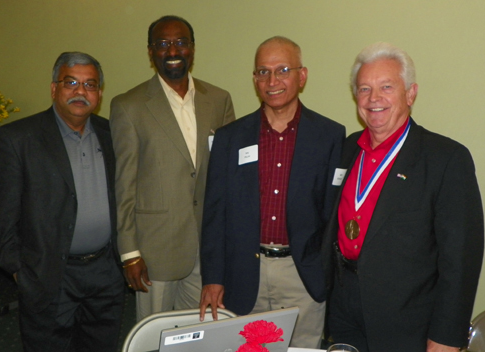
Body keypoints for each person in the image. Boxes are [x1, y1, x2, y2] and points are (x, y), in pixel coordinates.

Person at [322, 42, 484, 352]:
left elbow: (461, 259)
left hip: (408, 322)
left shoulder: (445, 158)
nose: (374, 99)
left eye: (386, 87)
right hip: (344, 312)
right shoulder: (348, 149)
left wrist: (446, 337)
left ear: (410, 93)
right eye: (364, 89)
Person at [199, 36, 345, 348]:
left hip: (301, 278)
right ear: (254, 79)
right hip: (242, 275)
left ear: (301, 76)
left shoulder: (330, 136)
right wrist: (213, 277)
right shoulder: (230, 137)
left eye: (282, 70)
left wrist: (328, 278)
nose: (272, 81)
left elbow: (331, 215)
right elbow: (214, 213)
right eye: (263, 72)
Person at [0, 52, 125, 352]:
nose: (80, 91)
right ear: (53, 88)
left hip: (105, 272)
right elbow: (0, 215)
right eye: (70, 82)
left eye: (90, 85)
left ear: (99, 94)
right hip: (48, 274)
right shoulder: (17, 138)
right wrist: (19, 270)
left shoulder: (111, 133)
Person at [110, 15, 235, 321]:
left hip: (206, 248)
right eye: (163, 44)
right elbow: (124, 184)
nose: (173, 50)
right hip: (155, 252)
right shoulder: (129, 105)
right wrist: (129, 253)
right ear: (151, 51)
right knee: (154, 334)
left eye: (181, 42)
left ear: (192, 48)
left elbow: (229, 177)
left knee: (200, 333)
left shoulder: (218, 100)